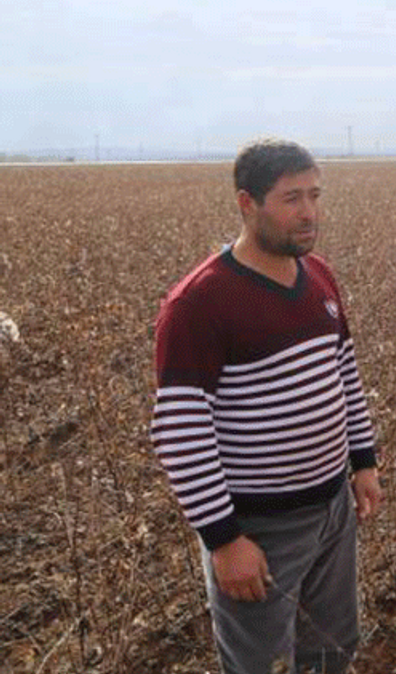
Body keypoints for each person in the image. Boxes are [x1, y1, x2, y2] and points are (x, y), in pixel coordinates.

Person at [149, 138, 383, 674]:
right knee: (262, 662)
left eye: (315, 196)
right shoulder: (199, 304)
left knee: (332, 648)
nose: (309, 213)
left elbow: (344, 373)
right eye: (291, 199)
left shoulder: (318, 276)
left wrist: (363, 462)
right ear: (246, 203)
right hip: (260, 527)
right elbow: (182, 434)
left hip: (332, 510)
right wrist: (225, 540)